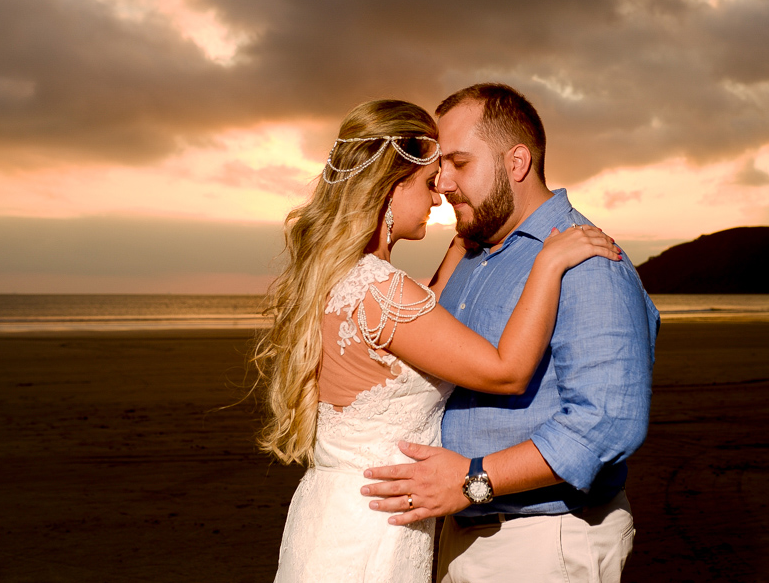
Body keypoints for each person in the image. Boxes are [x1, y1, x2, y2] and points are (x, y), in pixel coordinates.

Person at [250, 98, 622, 583]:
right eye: (428, 183)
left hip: (330, 516)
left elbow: (423, 313)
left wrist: (462, 238)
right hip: (374, 532)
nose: (437, 195)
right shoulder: (382, 292)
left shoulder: (341, 280)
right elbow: (505, 372)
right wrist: (548, 264)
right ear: (391, 186)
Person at [360, 84, 659, 582]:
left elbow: (607, 424)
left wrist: (474, 482)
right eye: (440, 168)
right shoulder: (476, 254)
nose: (444, 184)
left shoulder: (587, 261)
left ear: (516, 162)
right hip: (454, 531)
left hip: (542, 539)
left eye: (460, 163)